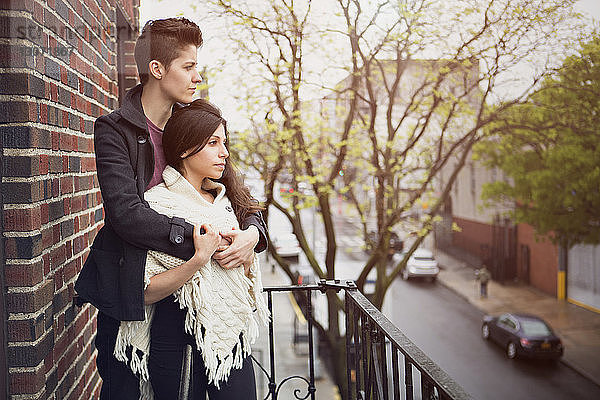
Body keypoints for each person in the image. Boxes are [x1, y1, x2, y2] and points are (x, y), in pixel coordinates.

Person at [74, 18, 267, 400]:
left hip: (190, 308)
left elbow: (237, 194)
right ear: (157, 69)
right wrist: (201, 243)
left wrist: (251, 234)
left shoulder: (191, 124)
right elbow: (125, 214)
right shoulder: (115, 131)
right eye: (189, 66)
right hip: (132, 290)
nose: (198, 77)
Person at [115, 99, 269, 399]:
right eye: (213, 143)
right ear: (185, 148)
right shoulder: (158, 205)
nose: (224, 152)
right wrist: (198, 259)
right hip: (178, 343)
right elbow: (144, 290)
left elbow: (252, 234)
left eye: (224, 142)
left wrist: (246, 249)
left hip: (231, 338)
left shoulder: (227, 201)